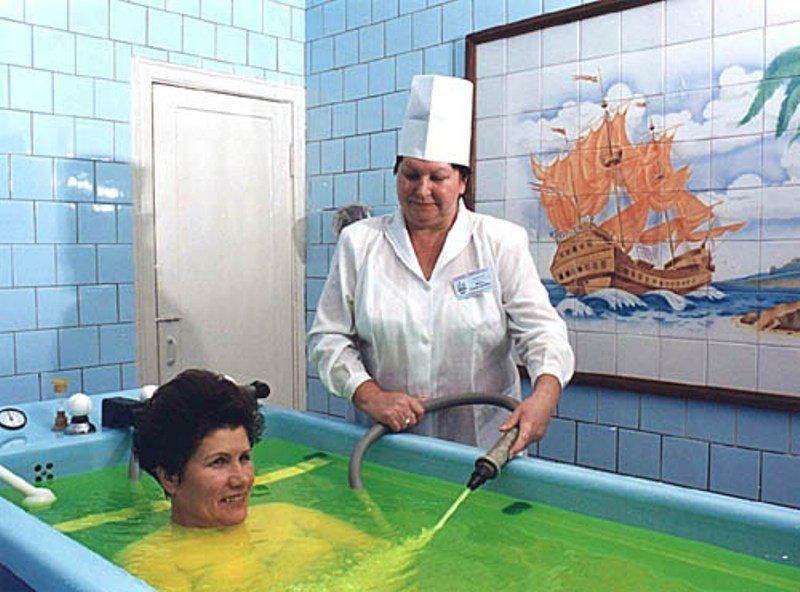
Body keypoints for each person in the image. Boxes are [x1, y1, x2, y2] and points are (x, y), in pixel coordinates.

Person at [309, 74, 575, 452]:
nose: (422, 190)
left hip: (483, 445)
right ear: (396, 175)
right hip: (386, 445)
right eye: (411, 175)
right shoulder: (360, 243)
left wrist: (545, 395)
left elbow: (542, 332)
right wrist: (369, 395)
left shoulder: (500, 242)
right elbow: (328, 338)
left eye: (438, 177)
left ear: (462, 181)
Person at [120, 369, 375, 591]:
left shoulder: (287, 516)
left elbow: (386, 555)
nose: (240, 479)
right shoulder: (152, 563)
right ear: (170, 478)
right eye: (218, 462)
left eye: (244, 458)